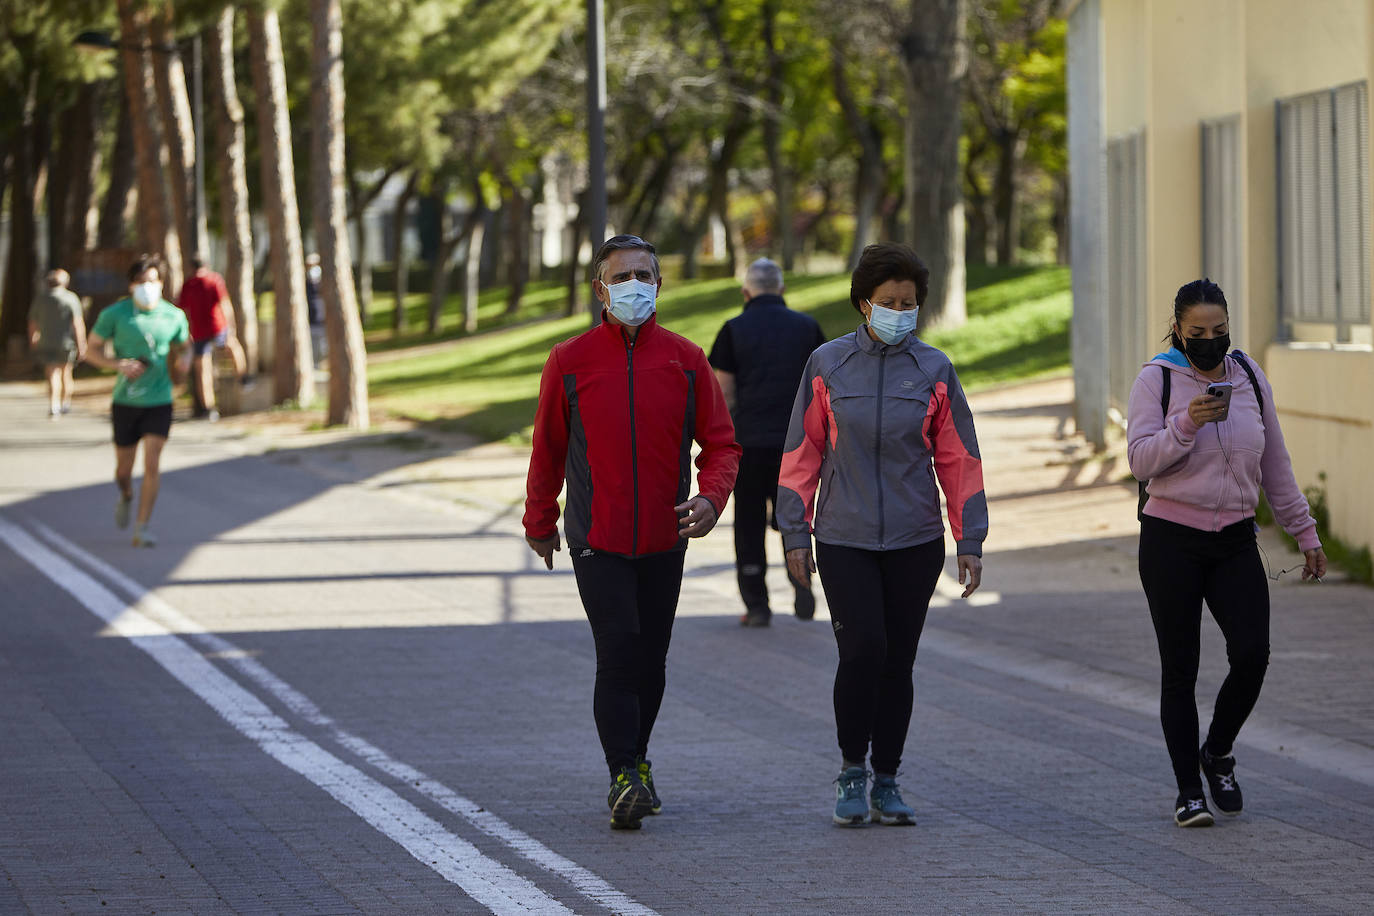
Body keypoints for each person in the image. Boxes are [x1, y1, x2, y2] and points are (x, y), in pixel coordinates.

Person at [524, 235, 741, 830]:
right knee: (618, 652)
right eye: (621, 278)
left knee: (652, 658)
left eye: (643, 274)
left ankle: (638, 762)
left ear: (660, 284)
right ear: (600, 289)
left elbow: (722, 444)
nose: (634, 286)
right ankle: (623, 772)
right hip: (597, 537)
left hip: (665, 539)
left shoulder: (686, 359)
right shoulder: (569, 360)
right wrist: (538, 521)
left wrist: (711, 498)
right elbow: (548, 450)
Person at [777, 243, 987, 827]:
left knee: (898, 660)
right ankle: (852, 769)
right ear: (864, 303)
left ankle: (888, 778)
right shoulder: (827, 365)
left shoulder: (935, 369)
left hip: (915, 541)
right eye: (889, 302)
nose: (899, 311)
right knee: (862, 650)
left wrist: (968, 538)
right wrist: (794, 532)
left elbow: (959, 458)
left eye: (909, 303)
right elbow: (801, 453)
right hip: (843, 537)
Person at [1127, 278, 1326, 828]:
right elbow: (1142, 462)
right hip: (1171, 540)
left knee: (1253, 654)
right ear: (1178, 330)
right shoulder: (1157, 380)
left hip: (1235, 538)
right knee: (1180, 669)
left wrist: (1304, 533)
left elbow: (1275, 466)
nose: (1211, 341)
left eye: (1220, 331)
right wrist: (1187, 422)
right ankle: (1188, 792)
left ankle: (1216, 752)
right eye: (1198, 332)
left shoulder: (1248, 377)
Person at [708, 258, 827, 627]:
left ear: (746, 292)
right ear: (782, 290)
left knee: (748, 524)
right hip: (797, 446)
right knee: (795, 516)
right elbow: (823, 389)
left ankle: (757, 604)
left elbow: (723, 393)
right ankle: (802, 579)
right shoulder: (808, 328)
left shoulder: (733, 329)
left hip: (749, 444)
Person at [84, 254, 190, 548]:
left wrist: (184, 362)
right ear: (131, 285)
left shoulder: (174, 315)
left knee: (153, 463)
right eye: (141, 282)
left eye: (153, 281)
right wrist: (117, 365)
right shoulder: (115, 314)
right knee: (123, 470)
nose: (147, 287)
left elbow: (185, 346)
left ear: (162, 283)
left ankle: (142, 528)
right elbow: (91, 350)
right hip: (125, 402)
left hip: (159, 400)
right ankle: (127, 493)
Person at [176, 256, 249, 422]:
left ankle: (208, 408)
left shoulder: (188, 284)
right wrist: (231, 327)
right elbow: (225, 304)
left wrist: (187, 333)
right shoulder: (214, 279)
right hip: (217, 326)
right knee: (232, 346)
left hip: (199, 331)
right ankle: (243, 377)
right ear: (207, 265)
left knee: (203, 369)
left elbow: (182, 310)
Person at [28, 269, 87, 418]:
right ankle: (65, 403)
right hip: (66, 344)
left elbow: (32, 322)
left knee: (52, 374)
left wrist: (33, 338)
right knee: (66, 374)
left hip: (46, 342)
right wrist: (82, 344)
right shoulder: (70, 298)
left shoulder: (41, 298)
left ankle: (54, 405)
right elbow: (77, 324)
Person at [305, 252, 327, 368]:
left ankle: (320, 363)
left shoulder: (323, 282)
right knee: (313, 344)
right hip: (311, 318)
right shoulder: (305, 282)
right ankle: (315, 365)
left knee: (323, 345)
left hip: (322, 318)